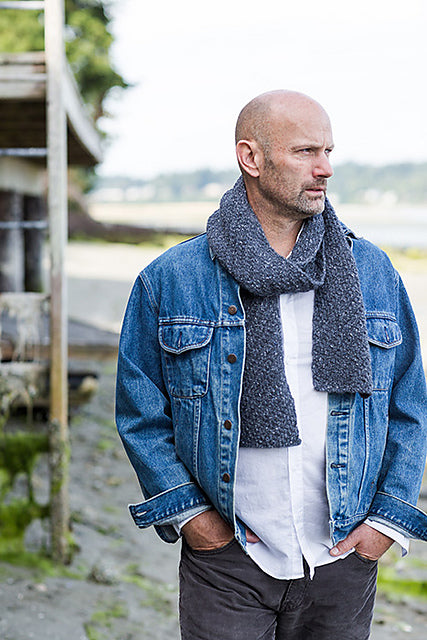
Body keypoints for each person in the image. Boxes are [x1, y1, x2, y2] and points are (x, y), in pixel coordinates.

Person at [115, 90, 427, 639]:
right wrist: (195, 520)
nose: (325, 169)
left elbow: (409, 404)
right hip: (228, 554)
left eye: (328, 151)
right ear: (251, 158)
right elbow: (141, 413)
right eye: (306, 151)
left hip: (343, 553)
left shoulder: (373, 271)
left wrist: (385, 523)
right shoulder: (171, 279)